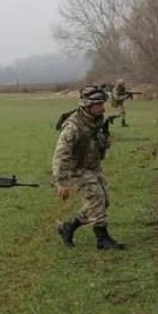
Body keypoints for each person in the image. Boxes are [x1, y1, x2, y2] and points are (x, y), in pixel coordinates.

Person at [52, 85, 125, 250]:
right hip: (77, 170)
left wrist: (104, 137)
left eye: (102, 104)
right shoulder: (73, 127)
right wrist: (61, 183)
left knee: (103, 201)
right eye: (98, 105)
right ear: (87, 106)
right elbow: (60, 155)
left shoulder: (97, 121)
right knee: (96, 199)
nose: (102, 108)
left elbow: (103, 146)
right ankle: (102, 239)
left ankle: (68, 227)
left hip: (93, 167)